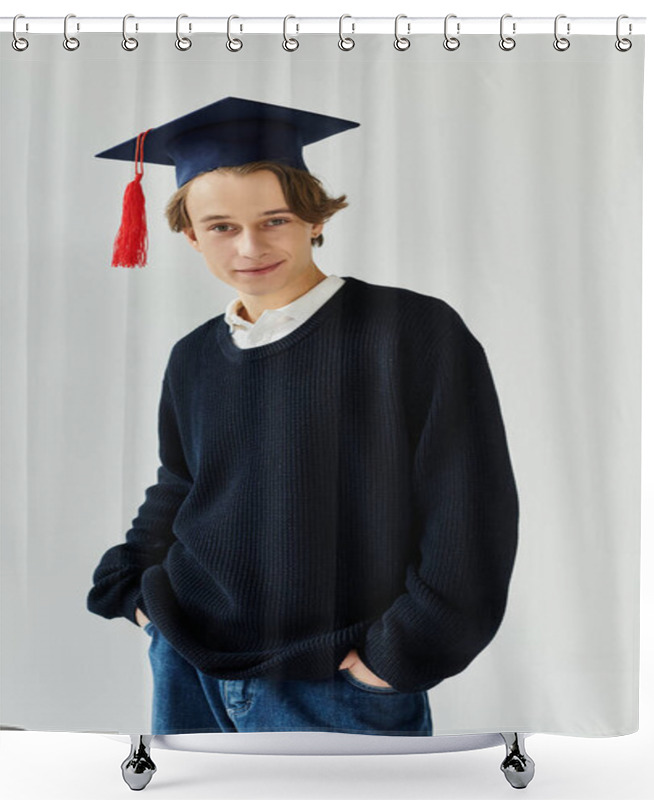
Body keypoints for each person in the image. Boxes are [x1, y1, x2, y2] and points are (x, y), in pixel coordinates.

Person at [87, 97, 519, 737]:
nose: (250, 246)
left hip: (338, 680)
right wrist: (133, 591)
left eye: (275, 219)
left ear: (315, 218)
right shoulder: (193, 358)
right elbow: (180, 487)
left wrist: (394, 660)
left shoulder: (411, 333)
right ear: (189, 235)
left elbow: (469, 512)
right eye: (221, 227)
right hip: (188, 665)